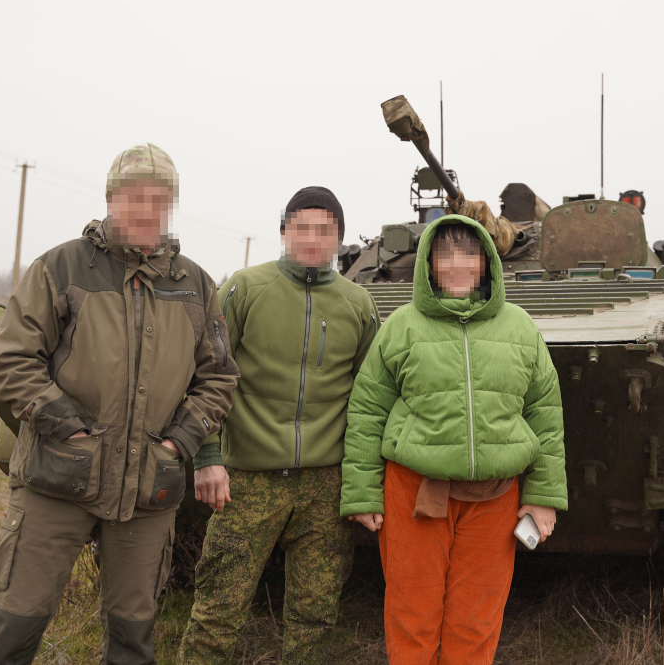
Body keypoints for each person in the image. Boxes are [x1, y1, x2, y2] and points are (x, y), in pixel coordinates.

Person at [0, 143, 239, 665]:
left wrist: (180, 440)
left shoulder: (195, 285)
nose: (146, 210)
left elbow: (218, 377)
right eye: (133, 197)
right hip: (57, 478)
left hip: (147, 490)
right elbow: (13, 363)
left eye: (159, 199)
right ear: (111, 200)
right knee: (9, 632)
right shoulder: (60, 268)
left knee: (133, 643)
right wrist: (67, 429)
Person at [341, 214, 567, 665]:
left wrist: (543, 495)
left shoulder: (519, 328)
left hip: (496, 497)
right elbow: (367, 412)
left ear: (486, 263)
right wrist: (363, 492)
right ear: (430, 264)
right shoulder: (402, 326)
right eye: (446, 254)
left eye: (470, 253)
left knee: (476, 622)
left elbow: (544, 415)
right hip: (414, 492)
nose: (458, 264)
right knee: (412, 616)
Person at [178, 187, 380, 664]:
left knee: (315, 618)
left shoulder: (359, 303)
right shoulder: (245, 289)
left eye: (324, 231)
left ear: (339, 239)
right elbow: (204, 372)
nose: (311, 239)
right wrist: (208, 455)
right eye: (301, 228)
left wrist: (362, 482)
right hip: (247, 480)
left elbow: (372, 398)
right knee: (217, 613)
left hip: (324, 486)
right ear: (284, 232)